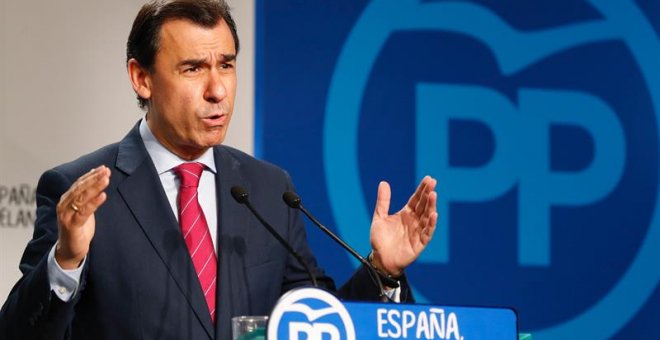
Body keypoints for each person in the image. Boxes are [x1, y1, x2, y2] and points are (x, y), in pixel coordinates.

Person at [0, 0, 438, 339]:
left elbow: (315, 321)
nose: (217, 90)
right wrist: (67, 259)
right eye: (193, 69)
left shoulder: (268, 189)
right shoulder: (83, 190)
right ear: (142, 78)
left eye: (225, 65)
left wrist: (382, 269)